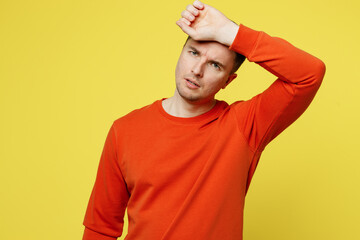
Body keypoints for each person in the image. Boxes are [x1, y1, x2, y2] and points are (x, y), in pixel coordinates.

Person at [82, 1, 326, 239]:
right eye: (193, 52)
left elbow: (309, 74)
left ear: (228, 82)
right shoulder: (124, 129)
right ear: (181, 53)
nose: (197, 69)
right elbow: (100, 228)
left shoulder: (244, 125)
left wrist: (230, 32)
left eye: (215, 65)